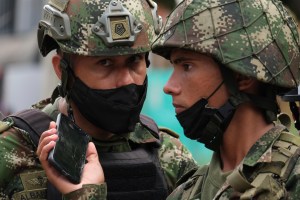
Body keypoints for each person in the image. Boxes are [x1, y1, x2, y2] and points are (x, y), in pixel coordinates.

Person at [0, 0, 197, 199]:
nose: (126, 81)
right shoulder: (11, 152)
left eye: (134, 61)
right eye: (105, 63)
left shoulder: (170, 156)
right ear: (62, 69)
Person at [150, 0, 300, 199]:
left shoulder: (294, 179)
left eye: (186, 66)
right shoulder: (187, 192)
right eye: (173, 66)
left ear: (242, 76)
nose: (168, 86)